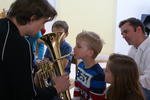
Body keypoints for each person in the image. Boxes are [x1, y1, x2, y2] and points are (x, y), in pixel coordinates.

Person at [0, 0, 70, 100]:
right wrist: (56, 88)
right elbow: (28, 96)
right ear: (32, 18)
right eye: (43, 22)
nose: (43, 28)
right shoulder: (20, 44)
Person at [119, 17, 150, 100]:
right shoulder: (133, 48)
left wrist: (127, 79)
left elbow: (149, 81)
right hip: (138, 84)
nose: (123, 36)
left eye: (126, 32)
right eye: (122, 34)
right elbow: (127, 68)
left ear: (139, 30)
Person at [73, 31, 106, 100]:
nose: (74, 48)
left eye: (78, 46)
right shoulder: (80, 65)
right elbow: (77, 86)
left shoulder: (98, 75)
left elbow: (96, 98)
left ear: (90, 53)